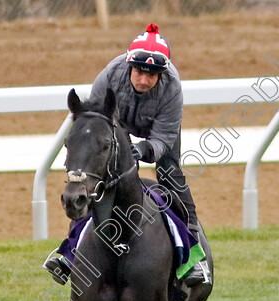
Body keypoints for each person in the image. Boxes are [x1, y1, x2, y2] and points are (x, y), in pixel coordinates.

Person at [44, 23, 211, 286]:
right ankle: (69, 253)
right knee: (94, 182)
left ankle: (193, 255)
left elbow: (163, 138)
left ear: (161, 74)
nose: (144, 80)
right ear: (129, 65)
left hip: (157, 131)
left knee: (170, 176)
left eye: (152, 75)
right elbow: (95, 120)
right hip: (113, 124)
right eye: (139, 72)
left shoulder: (172, 87)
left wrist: (145, 149)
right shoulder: (111, 74)